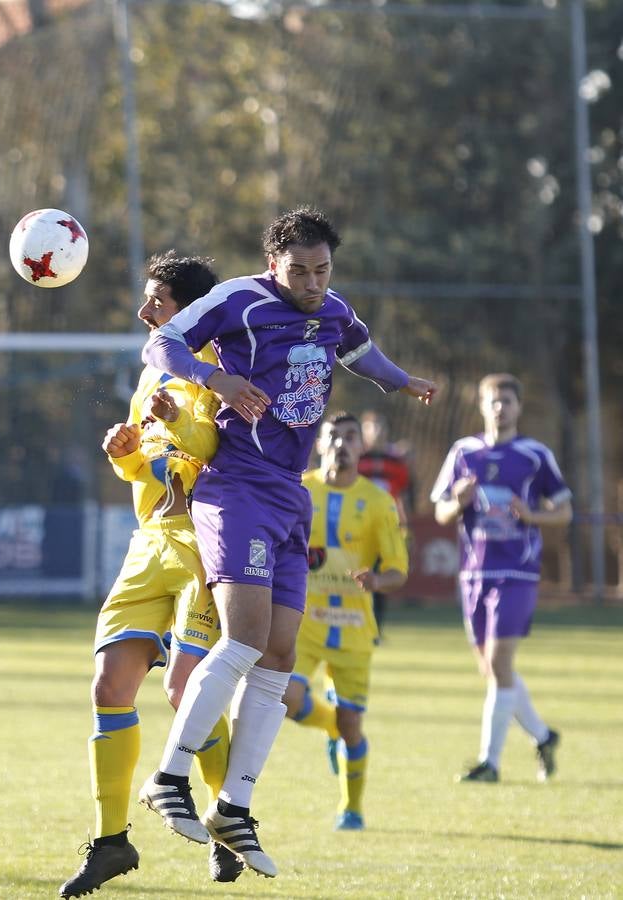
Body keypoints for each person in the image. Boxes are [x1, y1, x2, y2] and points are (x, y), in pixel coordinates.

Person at [137, 206, 436, 878]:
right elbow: (162, 346)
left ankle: (234, 807)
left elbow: (360, 351)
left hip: (288, 495)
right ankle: (168, 777)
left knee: (277, 654)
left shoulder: (332, 309)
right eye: (298, 270)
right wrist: (214, 377)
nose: (311, 282)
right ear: (273, 264)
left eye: (321, 269)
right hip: (237, 488)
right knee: (244, 639)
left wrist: (401, 380)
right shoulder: (237, 299)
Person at [60, 252, 245, 899]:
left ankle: (227, 822)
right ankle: (112, 842)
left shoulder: (224, 368)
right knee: (109, 685)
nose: (144, 312)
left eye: (157, 302)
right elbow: (146, 468)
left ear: (189, 311)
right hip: (148, 544)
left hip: (204, 545)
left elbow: (219, 451)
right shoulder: (151, 372)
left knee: (186, 687)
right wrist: (126, 455)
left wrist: (180, 421)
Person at [430, 372, 572, 783]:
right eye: (493, 400)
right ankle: (543, 736)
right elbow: (441, 512)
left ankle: (489, 764)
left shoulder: (534, 455)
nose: (500, 408)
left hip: (517, 571)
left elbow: (564, 511)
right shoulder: (463, 452)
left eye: (507, 401)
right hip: (474, 573)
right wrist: (458, 502)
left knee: (499, 662)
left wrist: (533, 516)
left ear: (518, 407)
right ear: (481, 406)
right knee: (493, 671)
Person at [283, 411, 408, 831]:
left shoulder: (378, 502)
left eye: (350, 437)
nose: (341, 444)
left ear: (361, 447)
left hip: (354, 626)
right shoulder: (299, 489)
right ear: (319, 444)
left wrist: (378, 580)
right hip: (304, 620)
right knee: (284, 697)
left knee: (352, 723)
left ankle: (351, 808)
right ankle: (329, 726)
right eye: (333, 436)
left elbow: (398, 570)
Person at [358, 409, 414, 629]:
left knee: (382, 576)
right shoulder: (356, 458)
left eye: (381, 426)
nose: (378, 431)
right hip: (357, 526)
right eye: (372, 427)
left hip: (387, 527)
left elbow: (403, 496)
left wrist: (406, 526)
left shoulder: (396, 462)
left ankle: (376, 627)